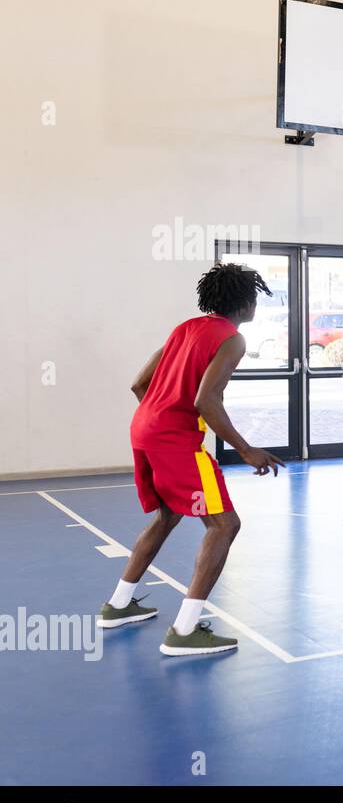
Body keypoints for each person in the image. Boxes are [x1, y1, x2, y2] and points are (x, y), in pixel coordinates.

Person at [102, 262, 285, 656]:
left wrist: (159, 417)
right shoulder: (232, 339)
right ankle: (185, 630)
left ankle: (118, 604)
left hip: (143, 428)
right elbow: (206, 399)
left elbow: (139, 384)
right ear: (246, 301)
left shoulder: (184, 328)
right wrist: (246, 448)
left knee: (168, 514)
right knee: (224, 525)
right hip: (172, 438)